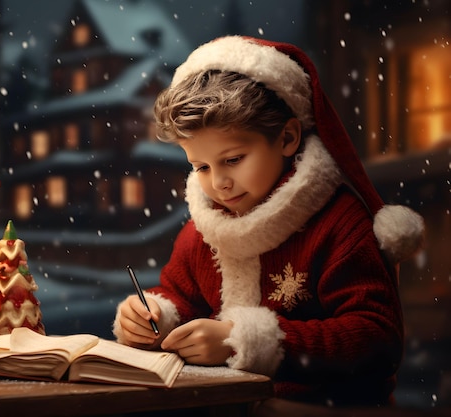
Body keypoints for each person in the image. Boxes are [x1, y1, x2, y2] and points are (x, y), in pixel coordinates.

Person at [113, 36, 425, 407]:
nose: (219, 182)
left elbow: (375, 339)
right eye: (201, 167)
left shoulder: (339, 224)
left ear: (287, 138)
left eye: (233, 159)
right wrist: (153, 317)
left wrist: (242, 341)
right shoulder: (203, 231)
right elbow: (181, 296)